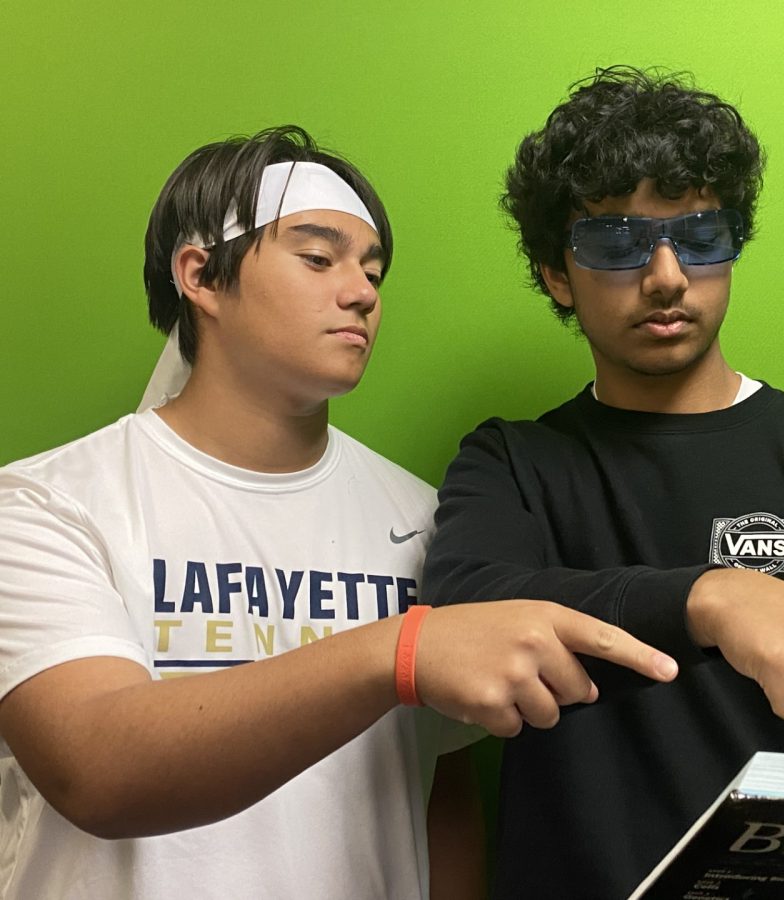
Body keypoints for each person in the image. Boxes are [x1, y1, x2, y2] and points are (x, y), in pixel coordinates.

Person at [0, 125, 679, 900]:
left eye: (373, 270)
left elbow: (439, 797)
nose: (361, 292)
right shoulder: (47, 504)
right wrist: (399, 650)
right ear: (201, 277)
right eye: (318, 258)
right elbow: (100, 773)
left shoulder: (426, 520)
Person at [422, 67, 784, 898]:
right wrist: (712, 598)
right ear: (557, 274)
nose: (667, 276)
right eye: (616, 243)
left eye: (700, 237)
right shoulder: (513, 464)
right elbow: (463, 617)